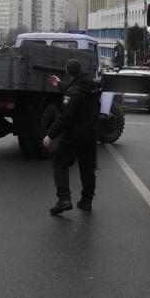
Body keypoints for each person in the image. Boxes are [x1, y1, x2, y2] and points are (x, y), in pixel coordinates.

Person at [43, 59, 100, 215]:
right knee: (87, 168)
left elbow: (64, 118)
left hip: (73, 136)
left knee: (59, 163)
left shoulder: (73, 91)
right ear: (81, 69)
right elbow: (75, 88)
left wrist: (50, 135)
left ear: (68, 72)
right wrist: (60, 84)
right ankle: (86, 201)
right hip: (90, 136)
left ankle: (64, 199)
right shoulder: (92, 86)